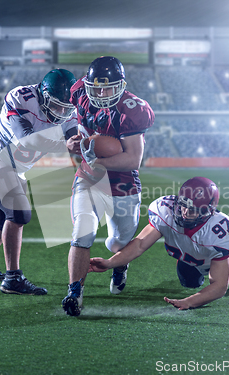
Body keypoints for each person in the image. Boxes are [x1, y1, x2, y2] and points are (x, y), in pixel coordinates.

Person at [89, 176, 229, 310]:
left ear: (209, 211)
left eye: (195, 209)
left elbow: (220, 287)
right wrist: (111, 262)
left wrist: (190, 302)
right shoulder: (165, 209)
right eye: (184, 204)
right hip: (194, 256)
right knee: (189, 282)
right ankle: (196, 274)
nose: (186, 212)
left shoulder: (222, 233)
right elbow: (139, 244)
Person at [0, 68, 81, 295]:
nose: (61, 112)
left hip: (15, 168)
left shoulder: (71, 110)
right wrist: (65, 146)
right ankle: (13, 278)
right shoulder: (21, 97)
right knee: (18, 215)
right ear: (43, 95)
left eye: (66, 108)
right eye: (57, 105)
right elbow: (26, 141)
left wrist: (82, 149)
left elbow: (73, 142)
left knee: (4, 218)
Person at [61, 56, 155, 316]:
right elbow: (74, 125)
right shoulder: (79, 92)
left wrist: (95, 159)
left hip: (123, 183)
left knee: (118, 242)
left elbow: (133, 159)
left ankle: (119, 264)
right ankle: (74, 293)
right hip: (89, 177)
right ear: (87, 85)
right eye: (97, 88)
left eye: (109, 87)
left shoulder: (132, 109)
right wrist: (73, 140)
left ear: (121, 85)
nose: (102, 94)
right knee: (83, 231)